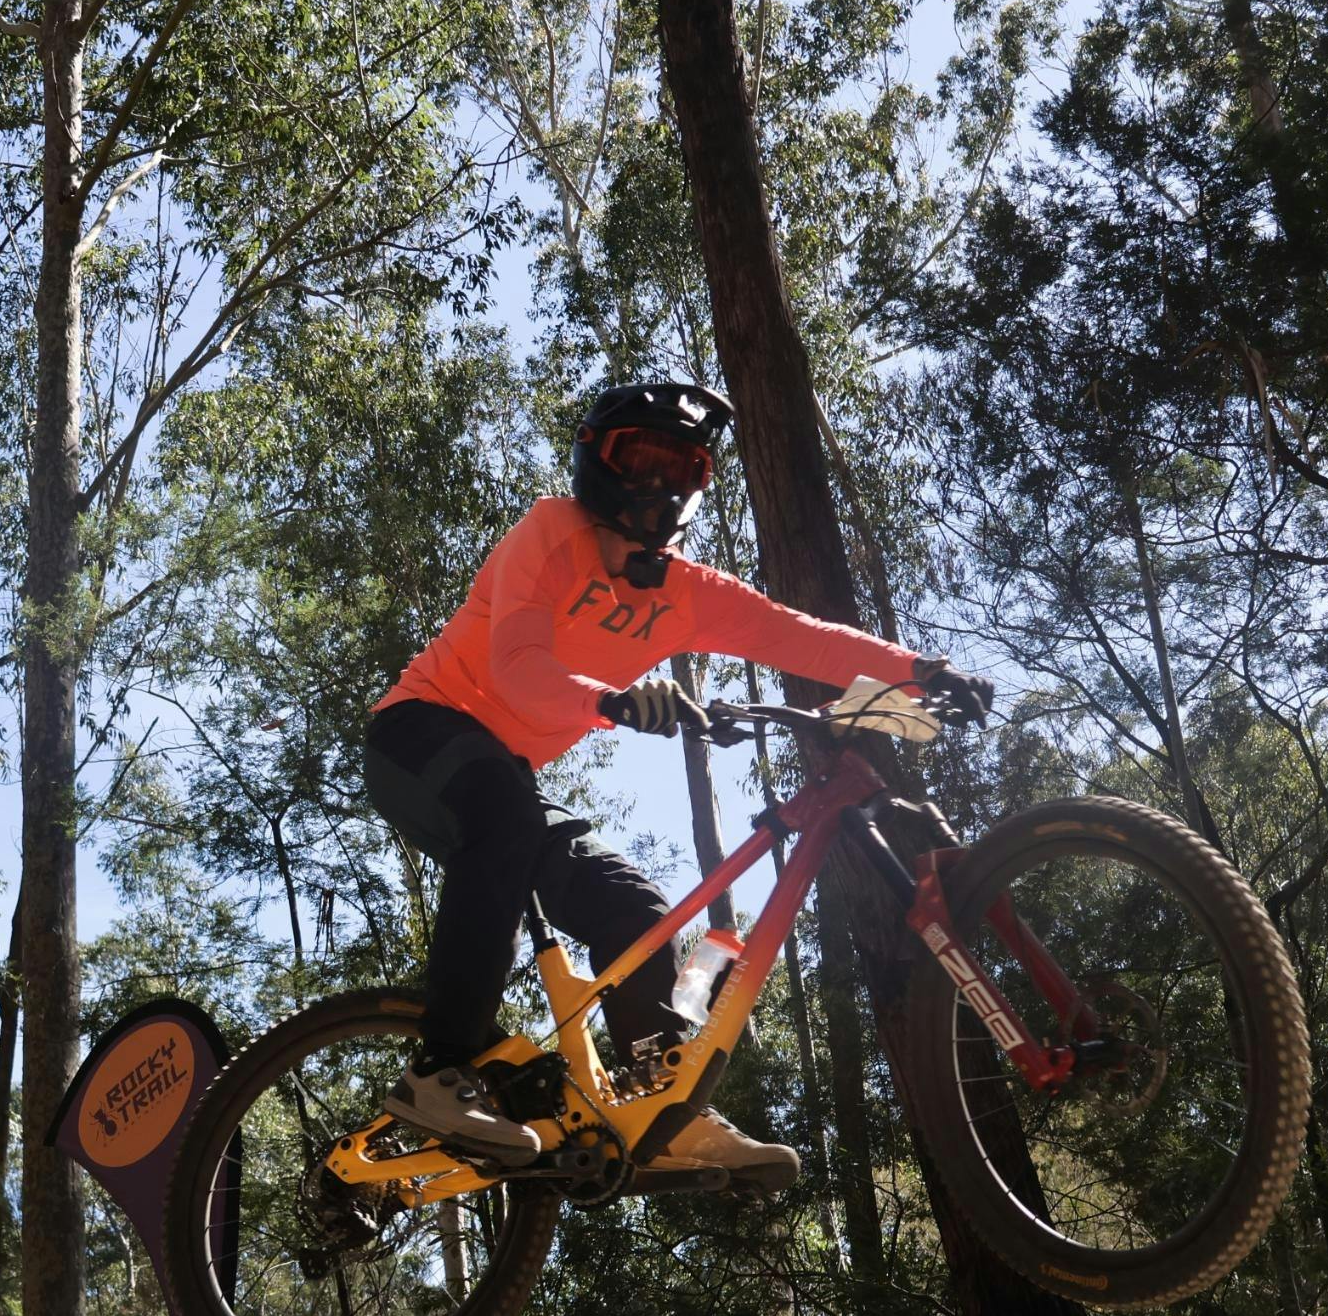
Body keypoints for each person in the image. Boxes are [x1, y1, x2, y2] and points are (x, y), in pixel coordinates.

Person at [363, 381, 992, 1186]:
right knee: (506, 817)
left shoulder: (686, 593)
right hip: (420, 731)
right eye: (641, 458)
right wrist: (610, 699)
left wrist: (920, 674)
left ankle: (660, 1113)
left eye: (682, 468)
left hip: (506, 779)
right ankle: (438, 1069)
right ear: (597, 456)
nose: (658, 484)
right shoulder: (550, 531)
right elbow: (517, 670)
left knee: (639, 917)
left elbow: (805, 641)